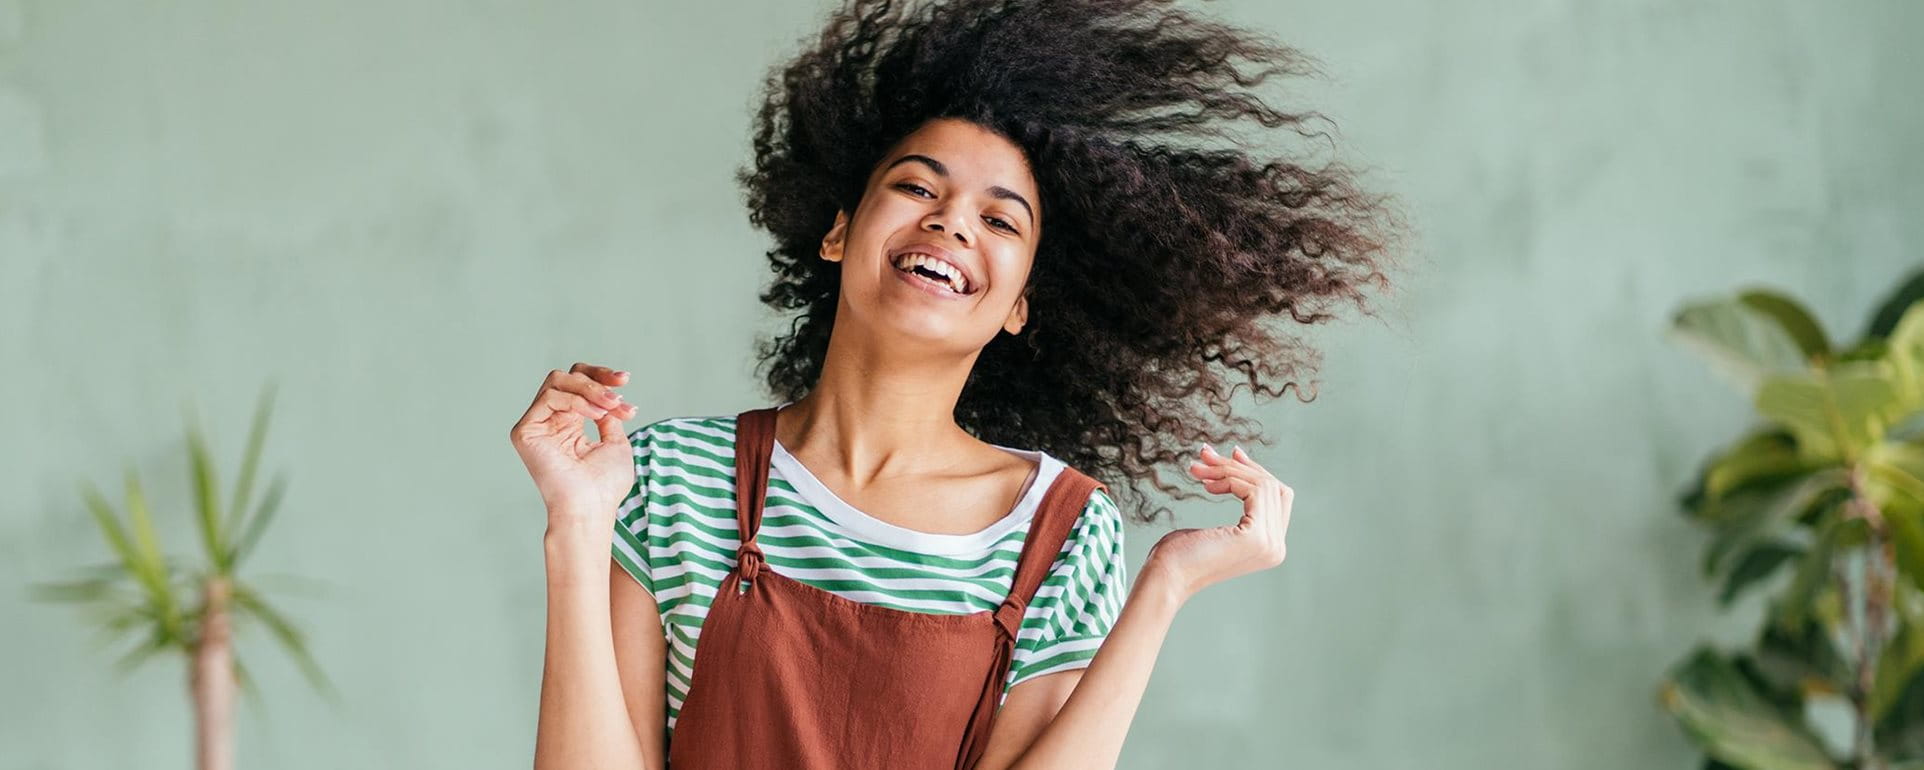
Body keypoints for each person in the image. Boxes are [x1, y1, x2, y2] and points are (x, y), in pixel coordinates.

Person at [513, 0, 1403, 767]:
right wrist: (577, 526)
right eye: (914, 185)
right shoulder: (668, 476)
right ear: (837, 232)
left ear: (1021, 304)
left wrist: (1164, 584)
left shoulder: (1053, 526)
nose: (950, 222)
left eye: (999, 220)